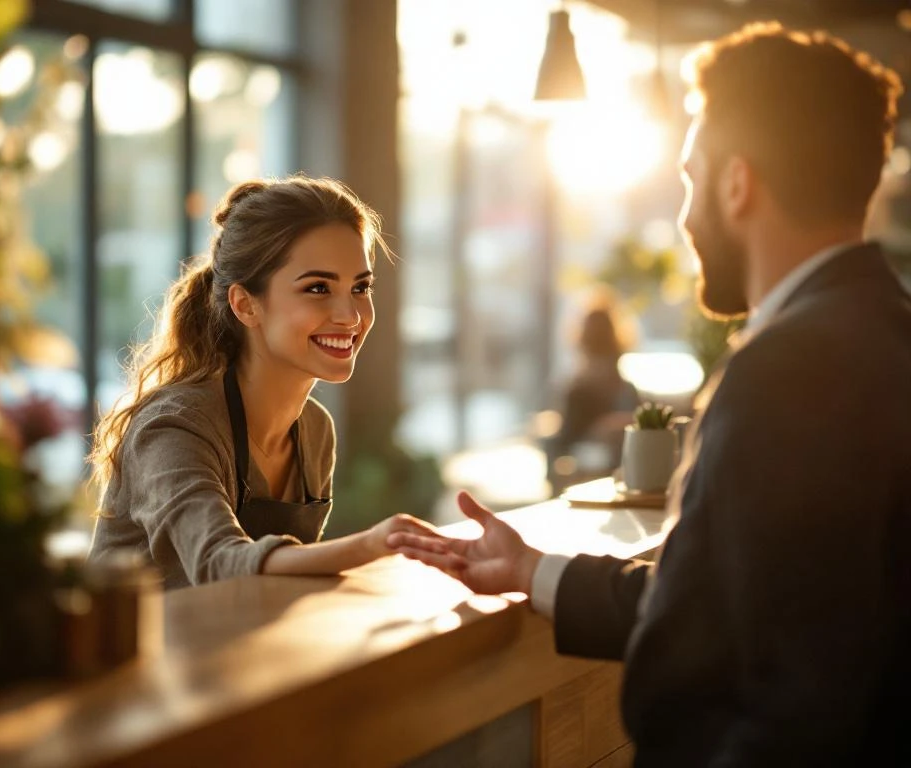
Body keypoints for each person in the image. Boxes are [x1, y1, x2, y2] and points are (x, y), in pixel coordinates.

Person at [389, 23, 910, 765]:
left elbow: (792, 694)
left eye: (691, 178)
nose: (686, 214)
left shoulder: (788, 370)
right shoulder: (884, 335)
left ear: (737, 183)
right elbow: (727, 606)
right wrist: (532, 569)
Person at [89, 176, 439, 588]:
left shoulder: (314, 430)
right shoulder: (173, 428)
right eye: (318, 288)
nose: (350, 314)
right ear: (245, 305)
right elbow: (219, 564)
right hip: (142, 652)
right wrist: (377, 543)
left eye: (360, 287)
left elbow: (279, 590)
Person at [545, 295, 639, 491]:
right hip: (591, 481)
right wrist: (597, 433)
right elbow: (563, 444)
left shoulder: (625, 392)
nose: (603, 364)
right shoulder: (577, 393)